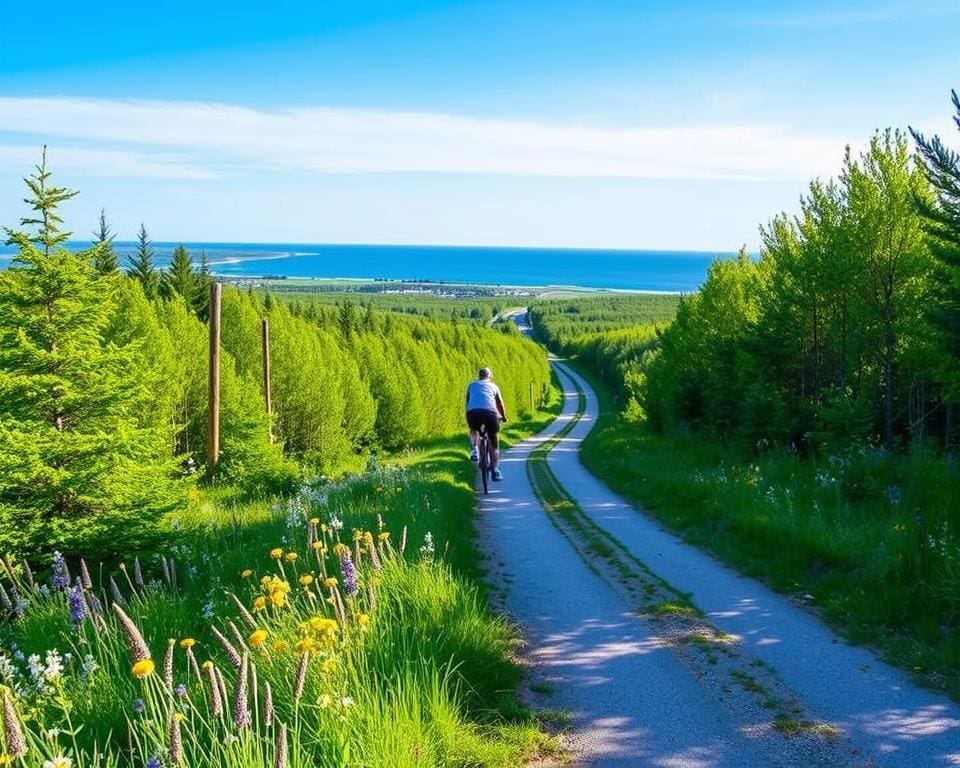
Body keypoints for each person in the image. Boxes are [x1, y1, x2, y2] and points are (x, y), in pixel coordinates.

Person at [465, 367, 507, 480]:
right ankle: (495, 470)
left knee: (474, 429)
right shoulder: (494, 386)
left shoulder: (471, 385)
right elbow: (500, 403)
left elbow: (468, 402)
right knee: (494, 439)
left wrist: (469, 415)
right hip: (490, 414)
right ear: (490, 376)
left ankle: (474, 449)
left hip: (473, 413)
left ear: (479, 376)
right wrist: (503, 417)